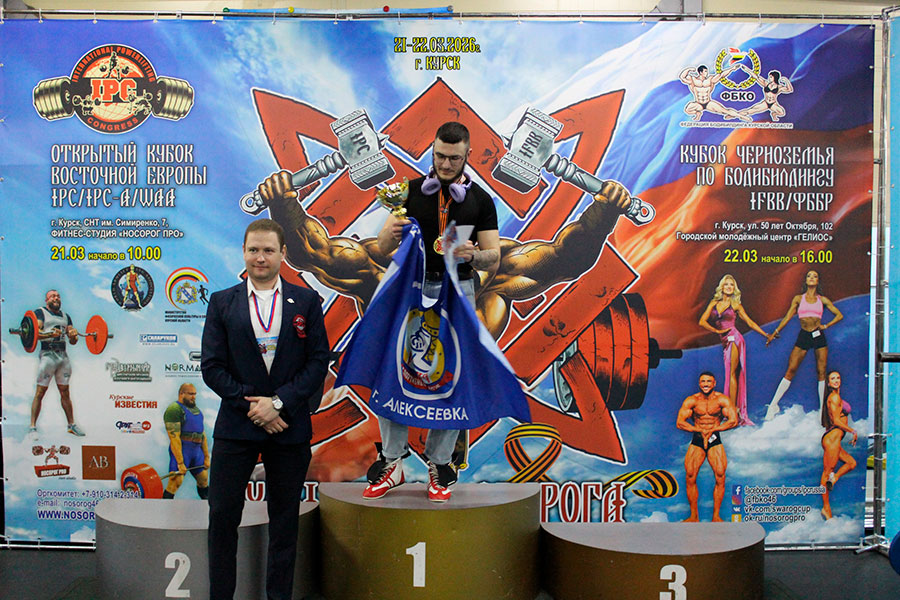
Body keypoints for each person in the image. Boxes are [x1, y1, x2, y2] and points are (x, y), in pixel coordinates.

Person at [201, 218, 329, 600]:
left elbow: (317, 362)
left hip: (288, 426)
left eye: (268, 250)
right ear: (243, 252)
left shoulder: (306, 301)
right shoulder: (222, 302)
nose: (261, 257)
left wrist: (277, 404)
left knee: (284, 522)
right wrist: (253, 406)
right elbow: (212, 367)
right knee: (222, 517)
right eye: (254, 250)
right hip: (236, 428)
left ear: (282, 254)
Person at [765, 270, 843, 420]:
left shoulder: (823, 300)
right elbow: (788, 316)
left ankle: (822, 411)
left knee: (821, 372)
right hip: (804, 335)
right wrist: (775, 332)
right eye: (809, 276)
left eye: (815, 276)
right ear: (806, 281)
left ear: (818, 281)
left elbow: (839, 315)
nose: (812, 278)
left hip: (818, 335)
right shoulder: (798, 299)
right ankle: (773, 405)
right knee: (791, 369)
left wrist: (826, 325)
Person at [698, 274, 771, 426]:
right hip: (724, 341)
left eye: (732, 285)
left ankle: (732, 410)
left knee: (732, 373)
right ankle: (732, 409)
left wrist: (765, 335)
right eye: (727, 284)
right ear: (722, 287)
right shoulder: (714, 303)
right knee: (730, 373)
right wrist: (717, 331)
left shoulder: (736, 305)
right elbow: (702, 321)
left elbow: (749, 322)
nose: (729, 287)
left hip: (735, 339)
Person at [676, 372, 738, 522]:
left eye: (709, 381)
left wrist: (713, 429)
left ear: (714, 383)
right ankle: (694, 516)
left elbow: (733, 421)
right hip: (698, 437)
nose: (706, 384)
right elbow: (680, 422)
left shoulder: (722, 399)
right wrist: (699, 430)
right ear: (699, 384)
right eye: (703, 381)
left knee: (720, 475)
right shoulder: (692, 400)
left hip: (713, 437)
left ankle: (716, 516)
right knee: (690, 475)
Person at [29, 289, 85, 437]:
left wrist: (73, 335)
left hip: (62, 356)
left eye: (58, 296)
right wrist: (49, 334)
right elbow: (35, 333)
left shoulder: (66, 317)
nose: (56, 298)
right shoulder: (40, 313)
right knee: (40, 392)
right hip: (48, 355)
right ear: (46, 300)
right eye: (52, 296)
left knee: (65, 392)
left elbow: (73, 341)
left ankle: (71, 425)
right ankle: (32, 427)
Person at [819, 370, 857, 520]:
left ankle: (834, 478)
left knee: (851, 463)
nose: (836, 380)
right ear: (829, 383)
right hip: (832, 438)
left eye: (838, 378)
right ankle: (826, 508)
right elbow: (836, 420)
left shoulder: (837, 397)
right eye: (833, 378)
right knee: (827, 472)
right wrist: (852, 431)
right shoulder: (834, 397)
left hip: (835, 439)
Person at [162, 383, 209, 499]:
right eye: (191, 394)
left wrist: (206, 457)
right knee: (175, 482)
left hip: (197, 452)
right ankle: (165, 508)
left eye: (195, 394)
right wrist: (180, 462)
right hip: (183, 451)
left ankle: (208, 507)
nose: (194, 397)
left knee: (203, 480)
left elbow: (202, 435)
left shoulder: (197, 411)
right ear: (182, 394)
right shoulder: (174, 409)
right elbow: (174, 438)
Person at [679, 64, 751, 122]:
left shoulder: (710, 80)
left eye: (707, 71)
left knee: (725, 111)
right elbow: (682, 77)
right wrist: (689, 69)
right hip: (698, 104)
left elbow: (721, 75)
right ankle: (697, 113)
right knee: (687, 110)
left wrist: (732, 69)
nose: (707, 73)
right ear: (701, 72)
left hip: (708, 103)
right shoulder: (693, 80)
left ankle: (741, 116)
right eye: (705, 71)